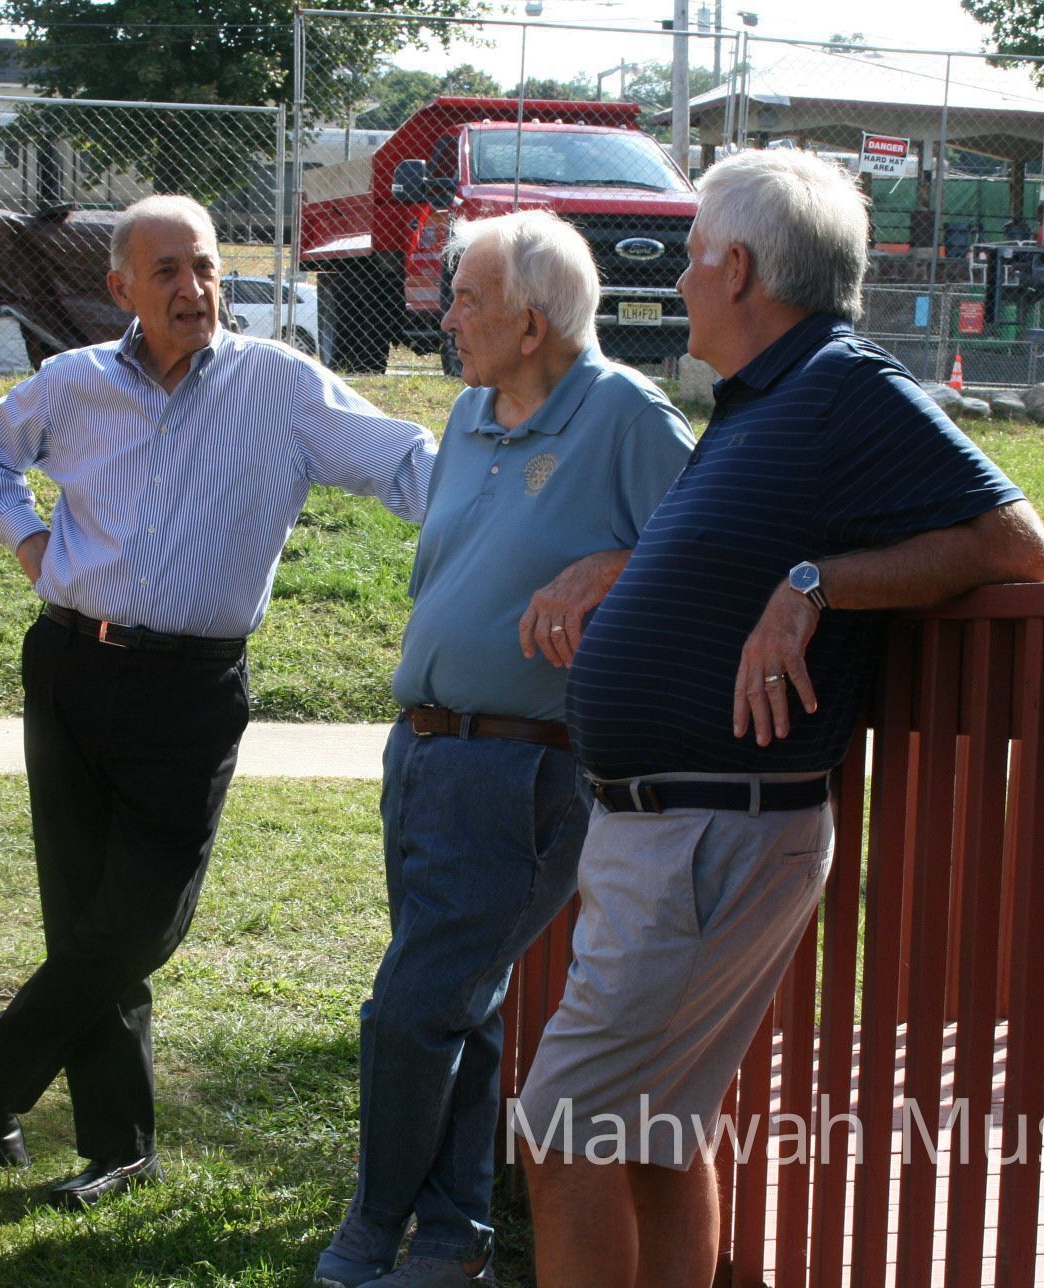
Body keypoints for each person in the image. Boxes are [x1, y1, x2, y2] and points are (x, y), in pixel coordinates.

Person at [512, 149, 1044, 1286]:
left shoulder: (841, 382)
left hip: (710, 833)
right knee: (656, 1135)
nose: (680, 280)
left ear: (740, 269)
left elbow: (1013, 542)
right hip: (673, 831)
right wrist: (626, 570)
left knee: (563, 1133)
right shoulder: (765, 401)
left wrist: (816, 585)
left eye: (692, 255)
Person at [0, 194, 435, 1210]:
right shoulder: (75, 384)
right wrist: (27, 539)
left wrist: (508, 496)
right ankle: (118, 1146)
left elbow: (401, 462)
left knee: (143, 919)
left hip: (191, 688)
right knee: (82, 911)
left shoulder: (279, 387)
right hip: (70, 664)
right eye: (166, 270)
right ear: (121, 287)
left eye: (205, 266)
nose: (193, 288)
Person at [313, 211, 695, 1288]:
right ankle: (452, 1238)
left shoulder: (626, 416)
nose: (447, 317)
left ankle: (370, 1230)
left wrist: (608, 566)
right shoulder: (471, 411)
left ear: (532, 324)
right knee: (460, 1001)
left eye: (467, 300)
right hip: (425, 752)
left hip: (527, 766)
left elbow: (711, 552)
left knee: (412, 1005)